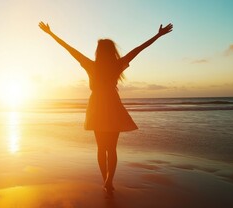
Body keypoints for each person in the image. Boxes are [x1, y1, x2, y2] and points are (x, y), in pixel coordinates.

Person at [39, 21, 173, 194]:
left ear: (98, 52)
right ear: (112, 52)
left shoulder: (91, 65)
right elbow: (138, 50)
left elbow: (69, 49)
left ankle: (106, 181)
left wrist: (51, 34)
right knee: (111, 148)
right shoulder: (116, 65)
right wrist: (158, 35)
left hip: (97, 106)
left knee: (101, 148)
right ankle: (109, 180)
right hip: (112, 104)